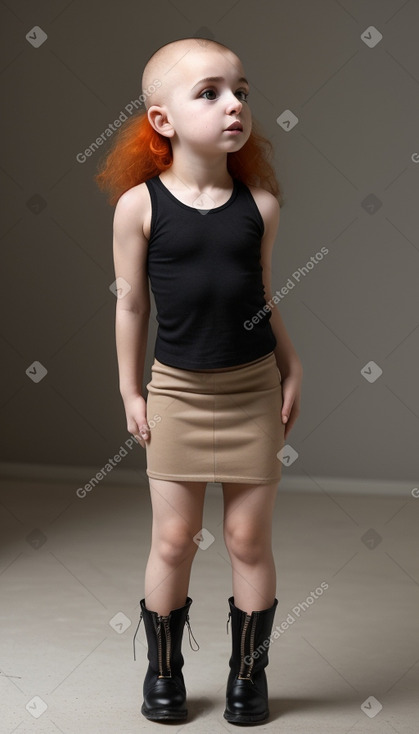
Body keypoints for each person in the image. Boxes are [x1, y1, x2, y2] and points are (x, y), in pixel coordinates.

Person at [95, 36, 303, 725]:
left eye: (241, 90)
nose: (233, 104)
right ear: (161, 121)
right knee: (172, 539)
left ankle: (249, 677)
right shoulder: (139, 207)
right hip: (177, 392)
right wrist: (130, 389)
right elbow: (131, 302)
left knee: (248, 540)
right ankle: (164, 672)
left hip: (250, 392)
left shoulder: (260, 206)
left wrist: (290, 365)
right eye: (209, 92)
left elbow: (262, 293)